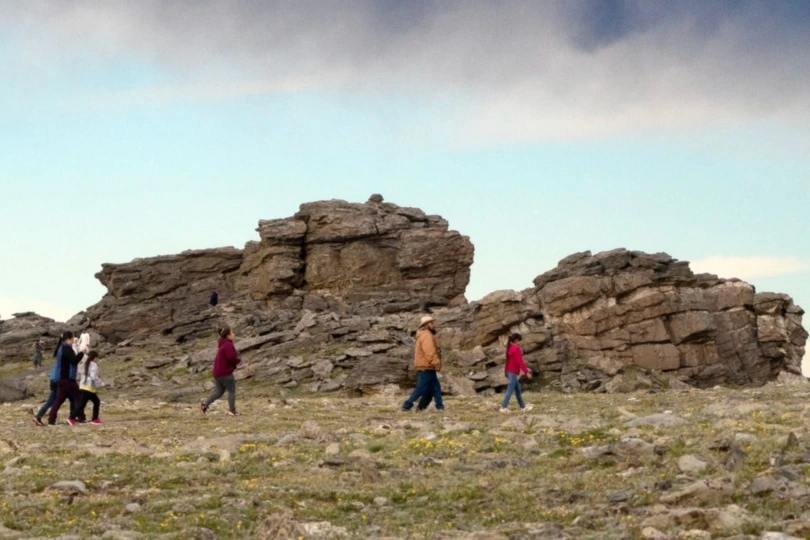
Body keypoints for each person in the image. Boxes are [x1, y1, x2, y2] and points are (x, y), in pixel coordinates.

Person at [32, 333, 77, 426]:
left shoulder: (59, 349)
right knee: (54, 400)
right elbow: (73, 361)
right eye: (72, 339)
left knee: (70, 398)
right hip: (58, 379)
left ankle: (72, 417)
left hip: (55, 378)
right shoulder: (65, 350)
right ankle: (40, 417)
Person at [402, 315, 444, 412]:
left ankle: (438, 407)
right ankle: (407, 406)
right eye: (431, 323)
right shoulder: (426, 335)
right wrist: (436, 363)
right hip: (426, 366)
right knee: (421, 388)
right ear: (426, 325)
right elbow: (429, 352)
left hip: (427, 366)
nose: (433, 325)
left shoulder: (424, 335)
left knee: (435, 387)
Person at [200, 327, 241, 416]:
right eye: (232, 333)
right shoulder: (228, 345)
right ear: (228, 335)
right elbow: (230, 358)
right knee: (231, 391)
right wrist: (237, 360)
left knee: (219, 392)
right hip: (225, 373)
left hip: (218, 373)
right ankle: (232, 411)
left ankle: (205, 404)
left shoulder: (222, 344)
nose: (234, 334)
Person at [47, 331, 85, 426]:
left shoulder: (61, 347)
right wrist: (81, 353)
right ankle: (80, 418)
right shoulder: (66, 348)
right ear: (68, 339)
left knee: (59, 400)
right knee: (79, 398)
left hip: (61, 378)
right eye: (72, 339)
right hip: (67, 378)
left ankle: (51, 420)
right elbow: (74, 360)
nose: (73, 341)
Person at [499, 333, 533, 413]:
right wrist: (527, 372)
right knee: (510, 390)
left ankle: (523, 407)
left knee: (517, 390)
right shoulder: (517, 349)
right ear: (516, 340)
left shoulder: (510, 347)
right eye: (520, 340)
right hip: (513, 371)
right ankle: (503, 407)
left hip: (509, 370)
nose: (521, 342)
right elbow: (520, 362)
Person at [76, 351, 105, 425]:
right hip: (88, 387)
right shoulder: (94, 365)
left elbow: (79, 371)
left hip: (83, 386)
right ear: (95, 358)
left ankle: (95, 418)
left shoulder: (85, 364)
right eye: (98, 358)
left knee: (96, 401)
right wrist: (101, 383)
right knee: (82, 404)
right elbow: (93, 376)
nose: (98, 360)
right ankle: (72, 417)